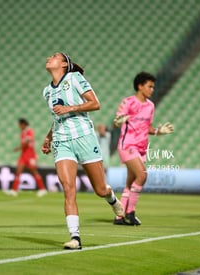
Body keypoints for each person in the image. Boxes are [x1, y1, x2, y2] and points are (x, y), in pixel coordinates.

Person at [41, 52, 124, 250]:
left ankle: (111, 198)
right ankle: (75, 237)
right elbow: (57, 118)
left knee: (100, 189)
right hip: (62, 141)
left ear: (63, 64)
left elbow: (95, 104)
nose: (48, 58)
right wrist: (48, 137)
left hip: (84, 137)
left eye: (54, 56)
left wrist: (70, 108)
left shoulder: (74, 78)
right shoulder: (46, 91)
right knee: (68, 188)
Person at [113, 71, 174, 226]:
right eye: (150, 86)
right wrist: (118, 122)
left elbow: (149, 127)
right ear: (140, 86)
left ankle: (119, 217)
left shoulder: (150, 106)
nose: (152, 89)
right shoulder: (128, 102)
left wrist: (159, 131)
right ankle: (130, 212)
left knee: (130, 183)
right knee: (142, 175)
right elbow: (117, 121)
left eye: (153, 87)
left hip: (141, 148)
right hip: (127, 145)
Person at [5, 118, 48, 197]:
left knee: (34, 172)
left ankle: (42, 189)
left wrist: (18, 148)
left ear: (23, 124)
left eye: (19, 124)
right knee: (18, 172)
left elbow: (27, 143)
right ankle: (14, 190)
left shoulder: (29, 131)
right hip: (23, 155)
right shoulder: (23, 133)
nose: (19, 126)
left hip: (30, 156)